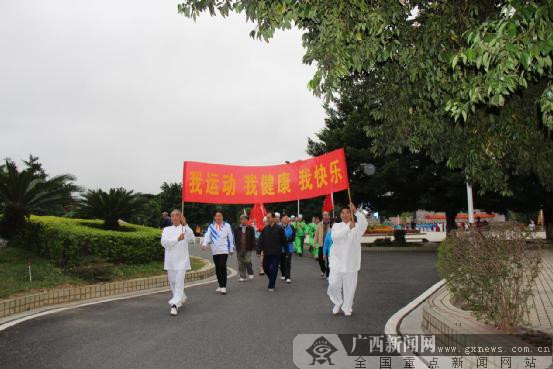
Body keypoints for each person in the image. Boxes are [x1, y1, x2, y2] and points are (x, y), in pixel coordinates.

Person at [327, 203, 368, 316]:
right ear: (340, 215)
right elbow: (335, 237)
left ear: (351, 214)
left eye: (347, 212)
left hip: (351, 263)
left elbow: (364, 223)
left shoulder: (357, 227)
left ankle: (347, 307)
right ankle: (338, 302)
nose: (345, 215)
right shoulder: (336, 226)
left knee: (350, 288)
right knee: (333, 284)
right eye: (343, 213)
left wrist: (356, 212)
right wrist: (347, 228)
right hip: (337, 262)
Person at [160, 209, 195, 316]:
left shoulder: (185, 229)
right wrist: (177, 239)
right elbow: (164, 243)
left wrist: (186, 224)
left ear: (180, 217)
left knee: (179, 282)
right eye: (172, 216)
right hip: (170, 261)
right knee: (173, 282)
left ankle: (174, 304)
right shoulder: (166, 229)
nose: (174, 217)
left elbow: (192, 240)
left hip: (182, 261)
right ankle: (181, 297)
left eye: (177, 215)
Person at [202, 210, 235, 295]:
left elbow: (230, 237)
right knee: (217, 268)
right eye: (217, 216)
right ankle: (220, 285)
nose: (218, 217)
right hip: (215, 251)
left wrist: (231, 248)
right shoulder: (211, 226)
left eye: (220, 216)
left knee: (222, 266)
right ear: (214, 217)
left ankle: (223, 286)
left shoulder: (227, 226)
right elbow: (207, 236)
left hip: (224, 249)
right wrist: (205, 244)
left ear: (222, 217)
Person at [257, 212, 287, 291]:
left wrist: (286, 251)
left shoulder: (279, 229)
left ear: (273, 218)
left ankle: (271, 285)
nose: (267, 219)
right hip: (267, 253)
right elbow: (260, 240)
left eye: (269, 217)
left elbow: (284, 241)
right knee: (265, 267)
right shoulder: (265, 229)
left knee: (274, 269)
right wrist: (258, 251)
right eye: (267, 217)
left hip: (276, 253)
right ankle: (272, 278)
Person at [234, 214, 256, 281]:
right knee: (240, 262)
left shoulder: (250, 228)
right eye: (242, 219)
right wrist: (235, 246)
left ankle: (250, 272)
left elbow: (253, 238)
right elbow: (234, 238)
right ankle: (242, 276)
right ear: (240, 220)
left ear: (247, 220)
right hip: (239, 248)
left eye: (245, 219)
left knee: (247, 261)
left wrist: (253, 247)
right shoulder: (237, 228)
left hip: (248, 247)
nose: (243, 221)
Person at [314, 211, 332, 278]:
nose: (324, 216)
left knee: (329, 261)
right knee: (320, 260)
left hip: (330, 245)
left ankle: (328, 274)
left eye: (326, 215)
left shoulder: (332, 224)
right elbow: (316, 235)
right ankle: (324, 270)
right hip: (321, 245)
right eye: (323, 215)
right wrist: (314, 244)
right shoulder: (319, 224)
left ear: (329, 216)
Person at [280, 215, 295, 283]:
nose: (286, 220)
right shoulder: (279, 227)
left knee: (287, 263)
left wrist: (286, 239)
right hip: (280, 248)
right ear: (281, 220)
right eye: (284, 218)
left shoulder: (291, 227)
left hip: (289, 248)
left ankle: (288, 277)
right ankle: (283, 274)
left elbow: (293, 238)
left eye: (287, 218)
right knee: (282, 263)